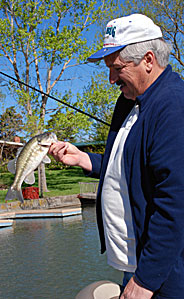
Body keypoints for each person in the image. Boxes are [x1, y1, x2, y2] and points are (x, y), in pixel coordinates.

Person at [49, 13, 184, 299]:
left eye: (117, 68)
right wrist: (85, 159)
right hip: (135, 263)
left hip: (165, 274)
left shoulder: (172, 105)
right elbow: (131, 166)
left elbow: (176, 200)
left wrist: (147, 280)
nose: (111, 79)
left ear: (148, 60)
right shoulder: (129, 103)